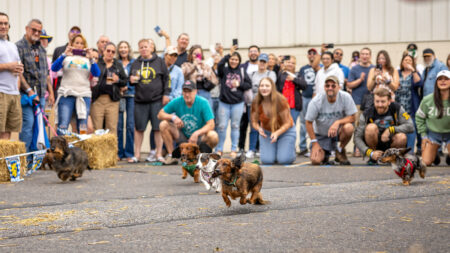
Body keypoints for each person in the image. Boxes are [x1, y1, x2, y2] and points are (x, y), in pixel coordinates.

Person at [128, 39, 170, 163]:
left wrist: (166, 94)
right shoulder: (135, 63)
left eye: (146, 47)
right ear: (138, 49)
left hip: (157, 100)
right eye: (141, 47)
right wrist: (131, 80)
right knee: (139, 129)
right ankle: (136, 155)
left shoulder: (160, 62)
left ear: (151, 48)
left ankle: (158, 154)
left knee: (157, 128)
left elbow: (167, 79)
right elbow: (130, 80)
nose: (143, 49)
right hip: (140, 101)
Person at [158, 80, 219, 164]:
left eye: (190, 91)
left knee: (213, 136)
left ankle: (203, 158)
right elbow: (160, 114)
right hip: (182, 136)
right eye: (185, 91)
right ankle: (172, 156)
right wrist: (173, 117)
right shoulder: (178, 101)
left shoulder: (203, 102)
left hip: (199, 138)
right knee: (163, 124)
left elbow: (211, 124)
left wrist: (197, 133)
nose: (187, 94)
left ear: (196, 92)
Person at [16, 18, 54, 152]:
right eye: (34, 30)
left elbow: (46, 73)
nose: (37, 33)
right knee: (29, 123)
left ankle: (36, 158)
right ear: (27, 29)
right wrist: (29, 90)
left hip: (41, 94)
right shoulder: (19, 47)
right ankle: (24, 157)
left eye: (39, 31)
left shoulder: (41, 49)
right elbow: (18, 73)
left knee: (39, 125)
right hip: (26, 95)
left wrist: (50, 93)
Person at [51, 34, 100, 135]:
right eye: (76, 43)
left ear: (84, 46)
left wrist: (91, 58)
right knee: (63, 124)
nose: (79, 45)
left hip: (83, 95)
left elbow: (96, 73)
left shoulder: (87, 59)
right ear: (71, 44)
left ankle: (79, 149)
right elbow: (54, 68)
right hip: (67, 94)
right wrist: (64, 54)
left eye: (81, 43)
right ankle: (60, 149)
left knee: (82, 125)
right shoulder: (66, 57)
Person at [354, 87, 414, 165]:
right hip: (374, 145)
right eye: (377, 101)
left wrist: (391, 129)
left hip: (391, 142)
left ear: (389, 101)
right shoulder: (366, 114)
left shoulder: (397, 108)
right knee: (370, 128)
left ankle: (391, 158)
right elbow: (357, 137)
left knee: (401, 137)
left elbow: (410, 126)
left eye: (383, 102)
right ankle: (374, 158)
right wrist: (369, 152)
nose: (380, 105)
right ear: (373, 101)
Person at [306, 76, 357, 165]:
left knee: (349, 127)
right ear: (324, 87)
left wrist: (337, 122)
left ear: (339, 87)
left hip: (337, 133)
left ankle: (340, 150)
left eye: (333, 86)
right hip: (321, 135)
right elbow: (308, 122)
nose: (330, 88)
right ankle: (325, 154)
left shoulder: (345, 97)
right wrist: (314, 143)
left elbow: (353, 117)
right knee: (315, 161)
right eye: (327, 86)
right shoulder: (316, 101)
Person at [216, 45, 252, 158]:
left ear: (239, 61)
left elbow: (248, 84)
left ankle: (233, 149)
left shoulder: (241, 70)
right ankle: (219, 149)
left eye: (236, 59)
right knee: (221, 126)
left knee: (235, 126)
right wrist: (228, 54)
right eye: (232, 59)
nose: (234, 61)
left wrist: (239, 84)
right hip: (224, 103)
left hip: (238, 103)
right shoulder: (224, 70)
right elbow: (220, 65)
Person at [250, 77, 296, 165]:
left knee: (284, 160)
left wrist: (277, 133)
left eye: (267, 86)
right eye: (262, 86)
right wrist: (259, 128)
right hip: (267, 132)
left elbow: (288, 123)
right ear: (259, 88)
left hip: (285, 131)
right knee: (267, 161)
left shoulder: (281, 100)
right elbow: (254, 122)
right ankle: (277, 151)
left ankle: (289, 151)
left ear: (272, 87)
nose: (264, 88)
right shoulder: (256, 102)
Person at [90, 42, 127, 137]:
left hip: (112, 101)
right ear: (103, 51)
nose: (110, 53)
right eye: (108, 51)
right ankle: (98, 152)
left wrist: (118, 80)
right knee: (97, 129)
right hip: (98, 99)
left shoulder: (117, 65)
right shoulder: (98, 63)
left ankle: (111, 152)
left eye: (113, 52)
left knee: (112, 129)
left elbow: (125, 81)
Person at [245, 53, 277, 159]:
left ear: (267, 63)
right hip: (254, 104)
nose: (262, 63)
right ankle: (252, 149)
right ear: (258, 62)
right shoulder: (253, 74)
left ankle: (262, 148)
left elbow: (271, 86)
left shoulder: (271, 74)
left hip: (267, 105)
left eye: (264, 62)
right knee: (254, 127)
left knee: (265, 127)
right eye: (260, 61)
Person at [416, 70, 450, 166]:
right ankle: (434, 155)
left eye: (446, 79)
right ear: (436, 83)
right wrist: (424, 136)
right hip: (433, 134)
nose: (443, 81)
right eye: (440, 79)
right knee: (425, 162)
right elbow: (419, 117)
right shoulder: (428, 100)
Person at [346, 47, 374, 157]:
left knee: (369, 126)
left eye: (367, 54)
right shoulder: (354, 69)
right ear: (360, 56)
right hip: (357, 101)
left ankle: (368, 149)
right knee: (358, 126)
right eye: (363, 54)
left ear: (370, 56)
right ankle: (357, 148)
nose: (365, 56)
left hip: (371, 102)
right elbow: (349, 85)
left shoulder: (374, 69)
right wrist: (360, 80)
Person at [0, 12, 23, 140]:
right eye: (0, 23)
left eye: (5, 23)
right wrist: (8, 66)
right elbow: (10, 65)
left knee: (8, 131)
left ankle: (3, 160)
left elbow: (17, 68)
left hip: (13, 93)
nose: (3, 26)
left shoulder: (12, 45)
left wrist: (17, 89)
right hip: (1, 92)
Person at [396, 54, 422, 153]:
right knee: (399, 131)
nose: (407, 62)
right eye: (405, 60)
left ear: (413, 63)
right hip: (398, 106)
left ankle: (409, 153)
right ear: (402, 62)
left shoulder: (414, 73)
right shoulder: (397, 73)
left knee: (411, 129)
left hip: (410, 107)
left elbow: (419, 83)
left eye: (409, 61)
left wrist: (413, 70)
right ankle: (398, 152)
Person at [297, 48, 321, 157]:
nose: (311, 55)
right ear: (307, 56)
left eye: (314, 53)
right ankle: (302, 147)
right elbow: (300, 83)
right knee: (303, 123)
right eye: (309, 53)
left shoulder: (319, 68)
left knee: (315, 123)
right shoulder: (303, 69)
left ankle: (314, 147)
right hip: (305, 98)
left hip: (317, 99)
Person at [238, 45, 261, 154]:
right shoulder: (243, 67)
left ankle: (256, 148)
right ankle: (241, 148)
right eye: (251, 51)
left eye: (255, 51)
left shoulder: (261, 66)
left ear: (259, 53)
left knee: (256, 125)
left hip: (258, 101)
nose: (253, 53)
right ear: (248, 54)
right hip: (244, 101)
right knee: (243, 125)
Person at [116, 41, 136, 161]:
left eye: (125, 47)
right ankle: (119, 153)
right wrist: (120, 86)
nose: (123, 49)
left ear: (129, 49)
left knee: (130, 125)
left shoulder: (134, 63)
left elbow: (136, 78)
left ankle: (129, 153)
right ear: (118, 50)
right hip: (119, 96)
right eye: (121, 47)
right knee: (119, 125)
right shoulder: (116, 63)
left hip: (131, 96)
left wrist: (127, 86)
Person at [276, 55, 306, 130]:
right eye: (289, 62)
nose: (290, 64)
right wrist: (278, 63)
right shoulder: (280, 74)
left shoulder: (297, 75)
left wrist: (294, 79)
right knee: (281, 126)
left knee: (292, 127)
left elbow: (304, 86)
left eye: (293, 63)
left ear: (295, 65)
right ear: (285, 63)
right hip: (282, 106)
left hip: (294, 107)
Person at [52, 26, 82, 99]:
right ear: (68, 34)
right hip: (61, 85)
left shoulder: (83, 52)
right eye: (72, 31)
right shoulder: (59, 50)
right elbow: (53, 70)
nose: (75, 33)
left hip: (79, 87)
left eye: (77, 32)